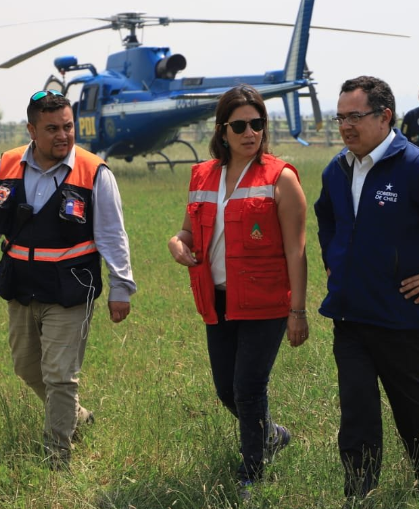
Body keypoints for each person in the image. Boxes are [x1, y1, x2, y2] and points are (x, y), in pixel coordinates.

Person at [315, 75, 419, 506]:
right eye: (341, 117)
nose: (346, 126)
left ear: (384, 116)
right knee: (357, 411)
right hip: (349, 314)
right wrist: (335, 260)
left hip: (402, 317)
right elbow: (327, 219)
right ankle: (359, 492)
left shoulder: (416, 167)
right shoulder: (337, 169)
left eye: (355, 116)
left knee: (411, 407)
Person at [0, 90, 136, 469]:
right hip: (21, 287)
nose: (63, 135)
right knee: (27, 368)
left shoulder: (94, 172)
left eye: (68, 127)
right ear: (32, 130)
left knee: (59, 375)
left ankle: (57, 458)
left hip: (70, 289)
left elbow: (113, 236)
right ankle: (78, 416)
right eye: (52, 128)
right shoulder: (7, 164)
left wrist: (121, 288)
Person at [167, 85, 308, 500]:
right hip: (219, 299)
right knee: (226, 391)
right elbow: (189, 231)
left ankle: (252, 474)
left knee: (248, 389)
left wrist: (296, 311)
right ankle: (272, 434)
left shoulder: (281, 178)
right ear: (222, 130)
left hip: (265, 303)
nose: (251, 133)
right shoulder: (202, 175)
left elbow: (297, 252)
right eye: (241, 125)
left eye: (258, 124)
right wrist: (176, 243)